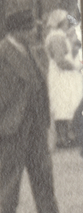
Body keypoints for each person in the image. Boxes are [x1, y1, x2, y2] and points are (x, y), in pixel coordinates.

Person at [0, 9, 75, 213]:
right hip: (12, 125)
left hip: (36, 122)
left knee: (43, 170)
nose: (33, 33)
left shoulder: (32, 51)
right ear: (16, 31)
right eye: (29, 29)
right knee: (11, 173)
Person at [43, 9, 82, 149]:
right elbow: (60, 60)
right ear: (61, 22)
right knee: (62, 105)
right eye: (66, 20)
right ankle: (62, 138)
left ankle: (67, 136)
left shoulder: (58, 35)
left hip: (63, 75)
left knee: (67, 104)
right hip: (61, 76)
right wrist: (75, 66)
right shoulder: (56, 37)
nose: (68, 23)